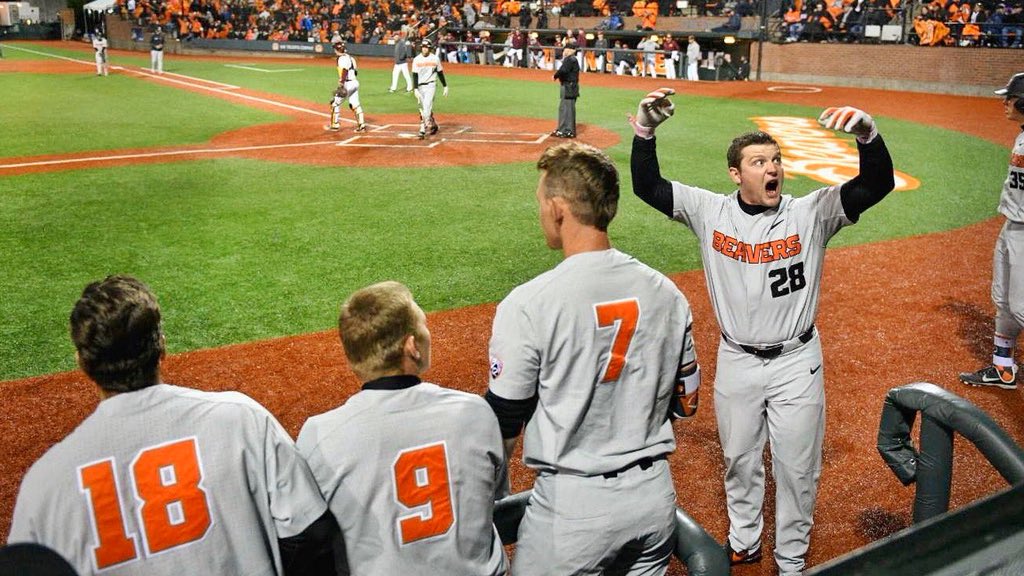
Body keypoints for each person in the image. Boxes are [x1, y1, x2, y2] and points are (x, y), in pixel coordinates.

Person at [629, 89, 895, 576]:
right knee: (739, 458)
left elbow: (876, 185)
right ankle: (745, 538)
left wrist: (868, 136)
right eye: (759, 162)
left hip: (797, 361)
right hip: (737, 359)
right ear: (736, 173)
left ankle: (791, 559)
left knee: (796, 468)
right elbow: (648, 186)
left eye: (776, 160)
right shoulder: (709, 211)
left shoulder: (811, 213)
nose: (772, 169)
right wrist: (645, 133)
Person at [7, 275, 338, 576]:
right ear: (162, 346)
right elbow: (311, 531)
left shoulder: (45, 482)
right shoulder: (242, 419)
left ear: (82, 362)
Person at [486, 142, 700, 576]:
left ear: (558, 209)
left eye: (541, 201)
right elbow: (686, 403)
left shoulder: (530, 304)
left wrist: (487, 497)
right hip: (653, 500)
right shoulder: (666, 292)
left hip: (572, 513)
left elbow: (504, 424)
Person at [297, 281, 508, 575]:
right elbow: (493, 494)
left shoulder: (319, 435)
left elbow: (309, 536)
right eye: (424, 325)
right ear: (412, 347)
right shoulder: (473, 412)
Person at [960, 72, 1024, 390]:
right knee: (1004, 300)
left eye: (1010, 97)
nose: (1004, 102)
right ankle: (1003, 368)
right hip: (1011, 226)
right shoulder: (1021, 136)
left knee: (1021, 306)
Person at [326, 40, 366, 132]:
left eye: (335, 49)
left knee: (334, 103)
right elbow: (355, 72)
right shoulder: (351, 58)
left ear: (337, 50)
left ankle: (335, 125)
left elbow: (344, 71)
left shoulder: (341, 59)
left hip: (347, 84)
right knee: (355, 104)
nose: (334, 51)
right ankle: (362, 125)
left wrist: (341, 83)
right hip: (355, 83)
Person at [412, 39, 449, 139]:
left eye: (426, 47)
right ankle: (433, 124)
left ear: (430, 48)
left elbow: (440, 72)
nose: (424, 49)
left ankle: (422, 129)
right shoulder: (416, 59)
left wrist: (445, 86)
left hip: (431, 85)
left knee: (427, 106)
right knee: (424, 108)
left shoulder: (435, 59)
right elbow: (415, 75)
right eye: (423, 47)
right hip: (420, 87)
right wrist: (415, 89)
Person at [552, 41, 580, 138]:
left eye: (565, 49)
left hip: (569, 87)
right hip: (568, 86)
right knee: (564, 108)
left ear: (570, 50)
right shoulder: (571, 59)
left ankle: (568, 131)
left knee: (568, 109)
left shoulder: (570, 59)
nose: (564, 51)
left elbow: (563, 70)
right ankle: (562, 129)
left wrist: (555, 76)